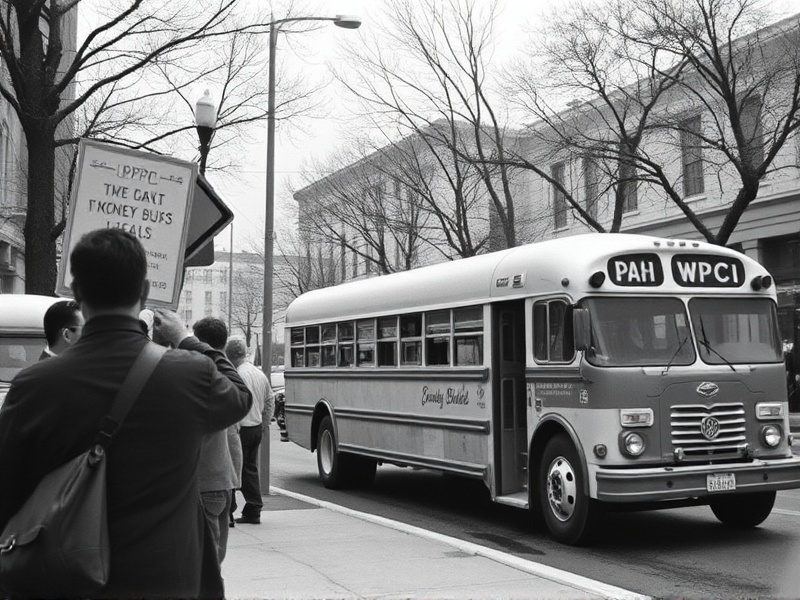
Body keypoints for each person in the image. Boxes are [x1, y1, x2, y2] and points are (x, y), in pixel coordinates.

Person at [0, 228, 252, 599]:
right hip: (169, 582)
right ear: (145, 291)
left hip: (65, 581)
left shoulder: (33, 386)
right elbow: (241, 397)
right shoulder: (189, 374)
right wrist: (187, 339)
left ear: (78, 293)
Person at [192, 316, 243, 555]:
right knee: (215, 558)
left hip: (203, 482)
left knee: (205, 563)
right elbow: (233, 435)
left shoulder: (200, 377)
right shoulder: (225, 380)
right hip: (223, 481)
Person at [226, 337, 273, 525]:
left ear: (228, 355)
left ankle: (230, 510)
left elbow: (233, 404)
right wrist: (264, 425)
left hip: (241, 428)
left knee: (232, 468)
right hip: (255, 428)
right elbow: (270, 400)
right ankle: (253, 508)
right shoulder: (258, 374)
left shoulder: (236, 375)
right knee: (249, 469)